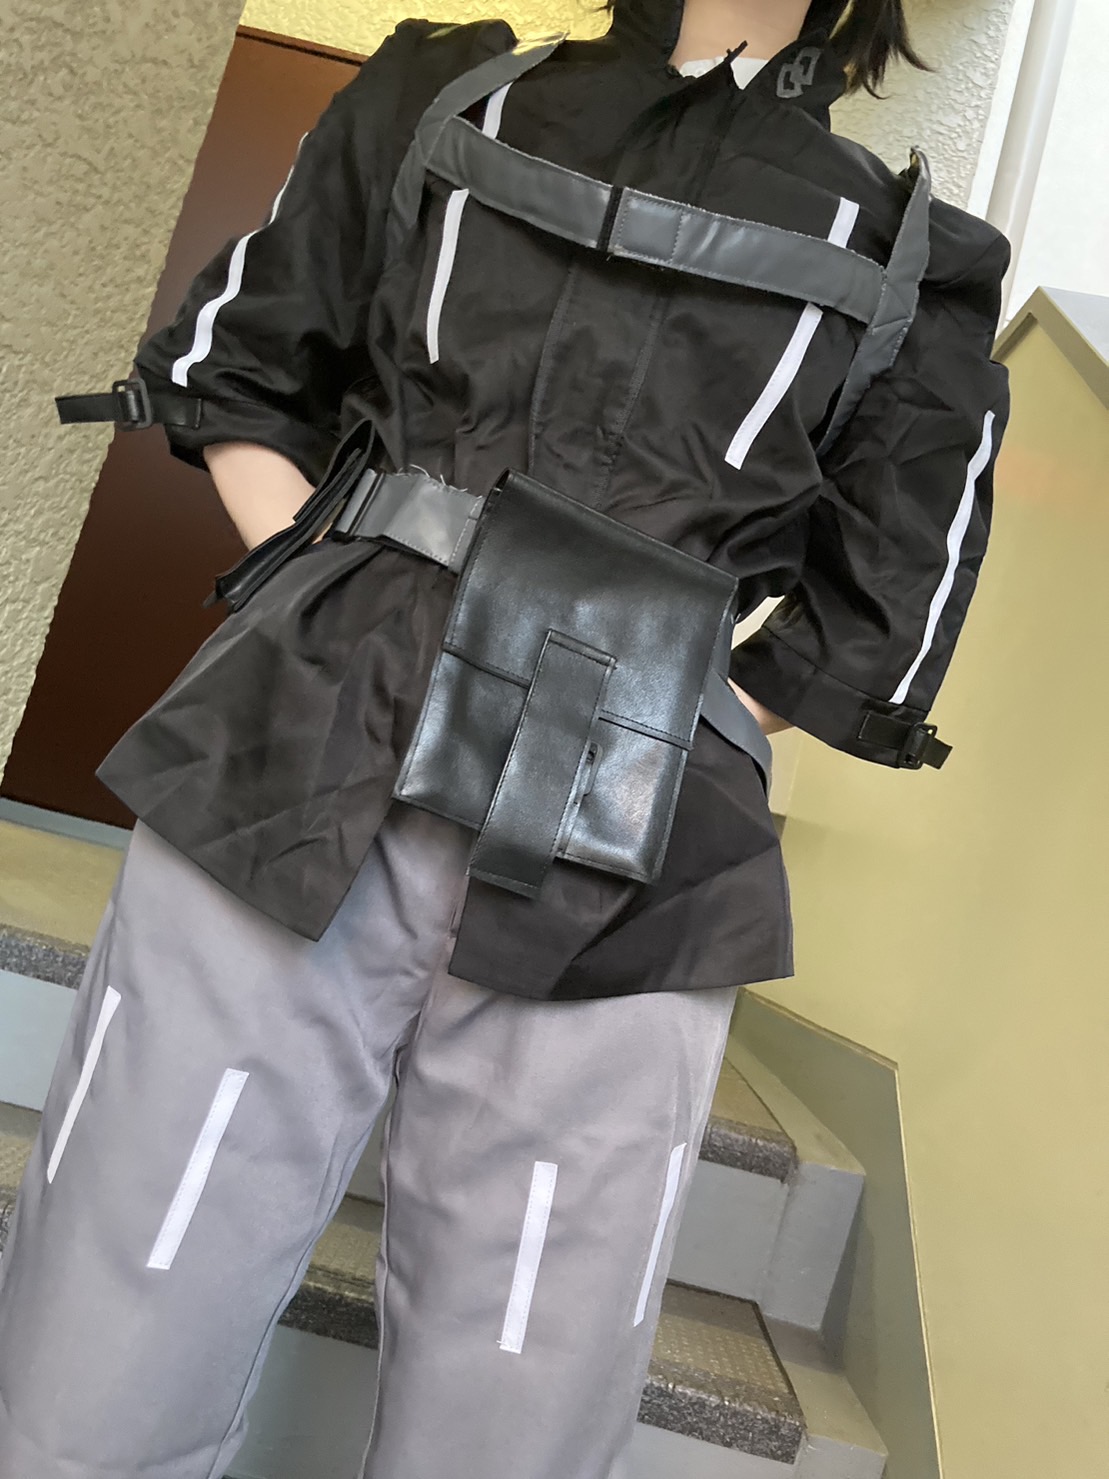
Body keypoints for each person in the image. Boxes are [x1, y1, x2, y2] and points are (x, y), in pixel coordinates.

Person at [0, 1, 1010, 1475]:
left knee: (528, 1353)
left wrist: (676, 712)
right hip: (297, 742)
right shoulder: (444, 92)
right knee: (134, 1244)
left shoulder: (916, 257)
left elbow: (877, 615)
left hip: (637, 852)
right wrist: (317, 588)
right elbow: (244, 362)